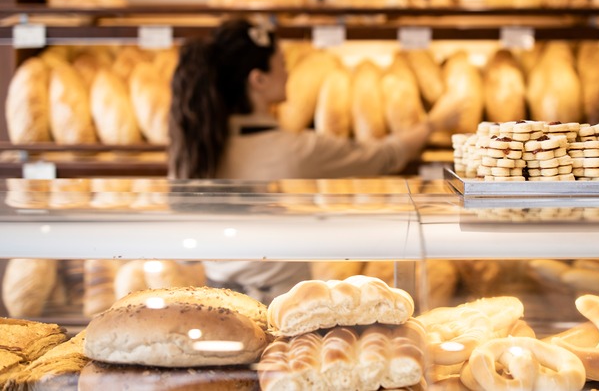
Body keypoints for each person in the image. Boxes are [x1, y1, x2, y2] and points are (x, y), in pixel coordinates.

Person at [168, 16, 460, 302]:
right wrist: (434, 123)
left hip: (217, 299)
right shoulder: (295, 151)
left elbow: (186, 256)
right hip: (278, 305)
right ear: (258, 79)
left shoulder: (195, 148)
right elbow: (384, 156)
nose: (289, 72)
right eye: (282, 64)